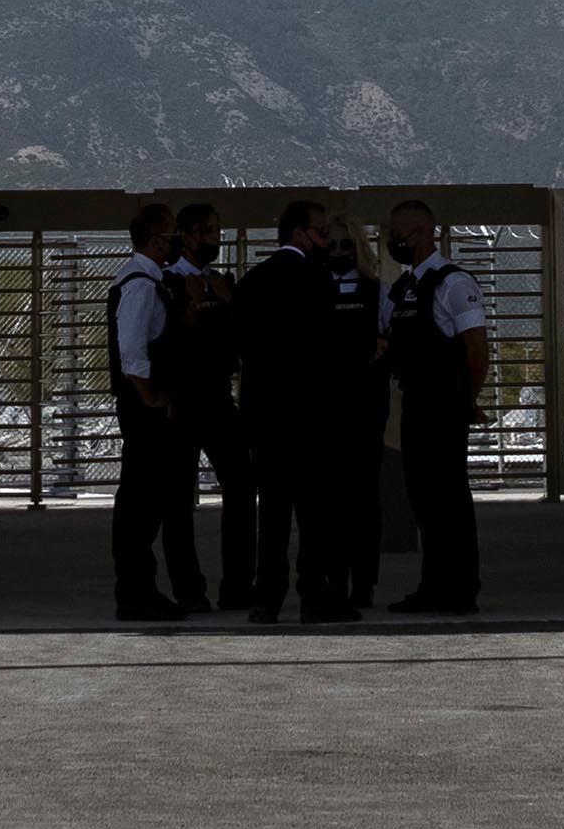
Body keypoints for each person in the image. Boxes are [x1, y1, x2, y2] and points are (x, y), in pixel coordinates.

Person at [229, 199, 374, 624]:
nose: (327, 241)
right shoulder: (317, 280)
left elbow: (239, 347)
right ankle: (314, 596)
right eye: (321, 232)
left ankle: (266, 599)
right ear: (299, 233)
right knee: (315, 514)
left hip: (266, 416)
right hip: (312, 417)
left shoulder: (252, 282)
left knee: (271, 513)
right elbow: (330, 350)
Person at [376, 200, 490, 618]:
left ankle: (460, 588)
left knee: (450, 499)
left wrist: (466, 400)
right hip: (415, 403)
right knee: (424, 499)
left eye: (399, 234)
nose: (394, 241)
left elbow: (476, 350)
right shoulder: (403, 288)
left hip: (444, 407)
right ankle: (433, 585)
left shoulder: (453, 283)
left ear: (423, 233)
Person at [103, 197, 203, 624]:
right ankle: (136, 591)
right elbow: (133, 351)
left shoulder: (149, 281)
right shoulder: (140, 286)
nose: (176, 243)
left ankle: (140, 589)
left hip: (149, 408)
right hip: (146, 412)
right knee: (141, 504)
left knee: (146, 502)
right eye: (171, 236)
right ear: (155, 239)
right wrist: (150, 396)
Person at [152, 198, 250, 615]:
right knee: (178, 499)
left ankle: (239, 586)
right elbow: (164, 344)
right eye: (208, 231)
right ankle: (188, 588)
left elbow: (243, 342)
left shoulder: (222, 283)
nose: (215, 238)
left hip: (217, 397)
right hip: (181, 401)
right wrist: (190, 309)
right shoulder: (166, 284)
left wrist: (230, 304)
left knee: (243, 487)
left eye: (218, 231)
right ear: (188, 236)